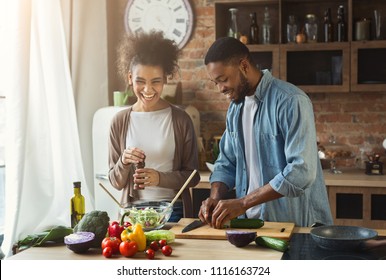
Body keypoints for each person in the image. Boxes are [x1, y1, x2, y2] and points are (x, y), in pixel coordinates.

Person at [199, 37, 333, 228]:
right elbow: (226, 162)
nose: (221, 88)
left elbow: (301, 171)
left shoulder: (291, 101)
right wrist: (215, 197)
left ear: (244, 66)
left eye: (224, 79)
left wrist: (243, 203)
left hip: (296, 225)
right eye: (215, 83)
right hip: (252, 224)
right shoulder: (235, 109)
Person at [108, 31, 200, 222]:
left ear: (165, 79)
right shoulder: (119, 121)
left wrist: (160, 178)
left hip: (173, 211)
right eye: (140, 81)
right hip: (133, 213)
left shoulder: (181, 120)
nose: (148, 90)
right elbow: (115, 182)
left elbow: (193, 177)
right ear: (130, 77)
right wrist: (123, 163)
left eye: (155, 82)